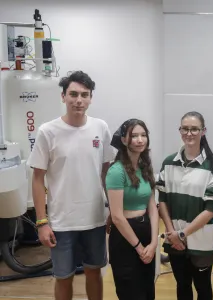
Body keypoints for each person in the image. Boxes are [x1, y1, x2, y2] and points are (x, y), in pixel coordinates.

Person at [27, 71, 115, 300]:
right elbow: (37, 179)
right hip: (61, 222)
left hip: (94, 219)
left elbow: (107, 173)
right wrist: (41, 222)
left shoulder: (100, 128)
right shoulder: (48, 131)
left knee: (94, 273)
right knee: (63, 277)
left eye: (84, 95)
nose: (79, 100)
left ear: (91, 98)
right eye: (73, 94)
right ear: (63, 96)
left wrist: (114, 212)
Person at [156, 111, 213, 300]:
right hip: (174, 241)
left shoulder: (212, 165)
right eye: (185, 129)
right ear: (180, 130)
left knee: (203, 288)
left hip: (200, 241)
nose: (189, 133)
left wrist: (182, 234)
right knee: (182, 285)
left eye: (194, 129)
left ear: (203, 131)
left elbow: (210, 210)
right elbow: (162, 200)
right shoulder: (169, 163)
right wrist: (172, 233)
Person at [106, 118, 158, 300]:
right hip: (125, 238)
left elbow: (152, 207)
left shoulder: (145, 167)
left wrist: (153, 244)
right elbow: (117, 217)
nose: (140, 140)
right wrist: (139, 247)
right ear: (124, 140)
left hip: (145, 231)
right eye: (134, 136)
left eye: (143, 135)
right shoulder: (116, 171)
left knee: (147, 292)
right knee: (131, 293)